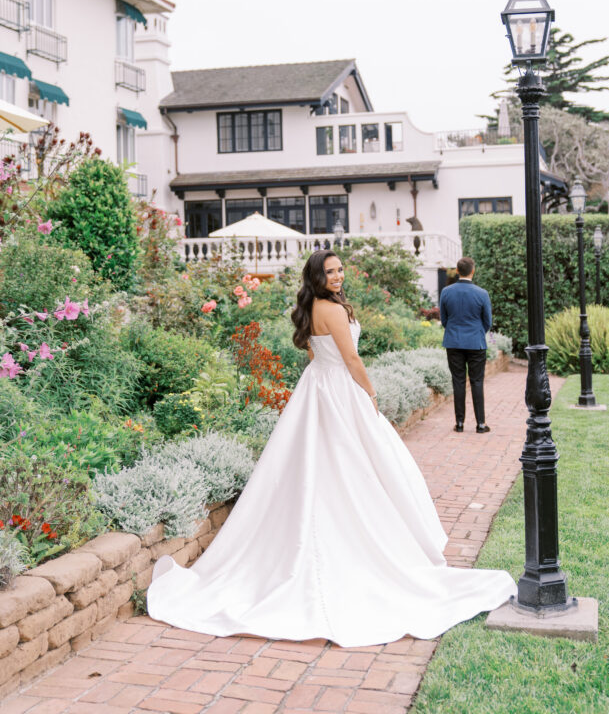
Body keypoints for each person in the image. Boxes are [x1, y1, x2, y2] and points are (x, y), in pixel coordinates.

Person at [147, 250, 513, 646]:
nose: (338, 276)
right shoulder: (334, 311)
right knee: (353, 464)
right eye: (330, 271)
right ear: (317, 276)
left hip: (316, 387)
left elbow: (314, 353)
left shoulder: (312, 309)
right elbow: (351, 358)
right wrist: (370, 393)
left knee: (319, 462)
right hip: (340, 389)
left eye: (340, 270)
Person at [440, 257, 492, 433]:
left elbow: (444, 320)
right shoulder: (482, 293)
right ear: (473, 271)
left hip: (453, 341)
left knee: (458, 382)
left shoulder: (446, 292)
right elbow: (488, 321)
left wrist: (455, 332)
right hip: (476, 343)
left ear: (457, 270)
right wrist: (477, 333)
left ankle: (460, 423)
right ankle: (481, 424)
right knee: (477, 382)